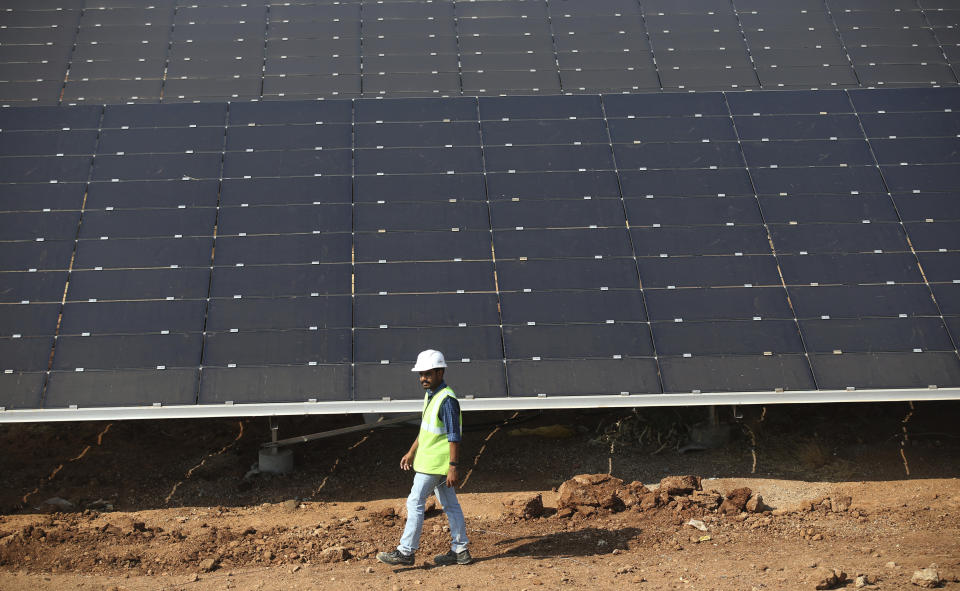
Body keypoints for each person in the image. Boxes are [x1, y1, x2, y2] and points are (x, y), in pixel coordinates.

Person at [376, 349, 472, 566]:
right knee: (450, 504)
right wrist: (411, 451)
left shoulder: (447, 400)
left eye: (427, 374)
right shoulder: (433, 396)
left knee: (415, 501)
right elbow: (426, 429)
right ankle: (460, 550)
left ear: (440, 372)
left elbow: (454, 436)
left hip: (435, 464)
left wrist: (453, 466)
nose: (422, 378)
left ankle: (406, 551)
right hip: (433, 463)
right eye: (420, 374)